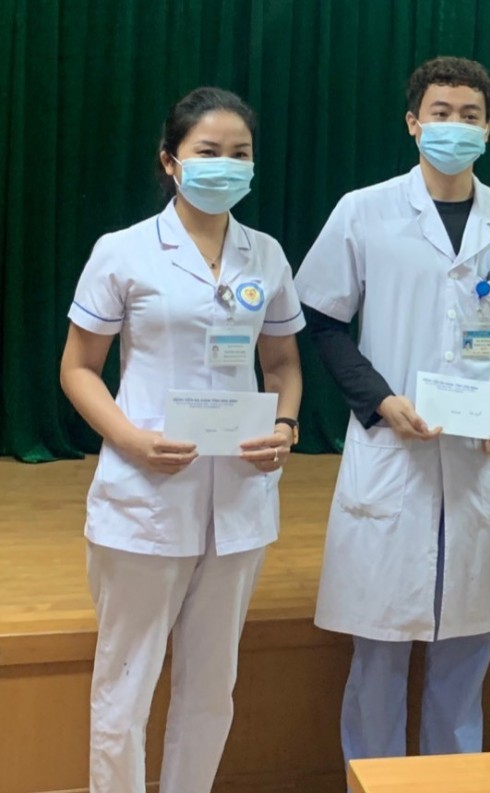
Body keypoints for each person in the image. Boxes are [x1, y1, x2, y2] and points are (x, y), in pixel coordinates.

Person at [293, 56, 490, 763]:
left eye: (470, 115)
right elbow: (325, 321)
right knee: (379, 651)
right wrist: (379, 399)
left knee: (467, 650)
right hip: (393, 448)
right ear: (413, 122)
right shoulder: (364, 209)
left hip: (478, 457)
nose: (455, 126)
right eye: (441, 113)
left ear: (488, 129)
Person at [59, 87, 304, 793]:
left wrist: (285, 425)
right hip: (146, 496)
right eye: (208, 151)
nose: (225, 165)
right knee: (126, 686)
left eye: (240, 153)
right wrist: (131, 440)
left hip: (239, 499)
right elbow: (78, 368)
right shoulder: (124, 251)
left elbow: (283, 365)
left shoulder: (266, 254)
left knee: (211, 688)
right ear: (170, 161)